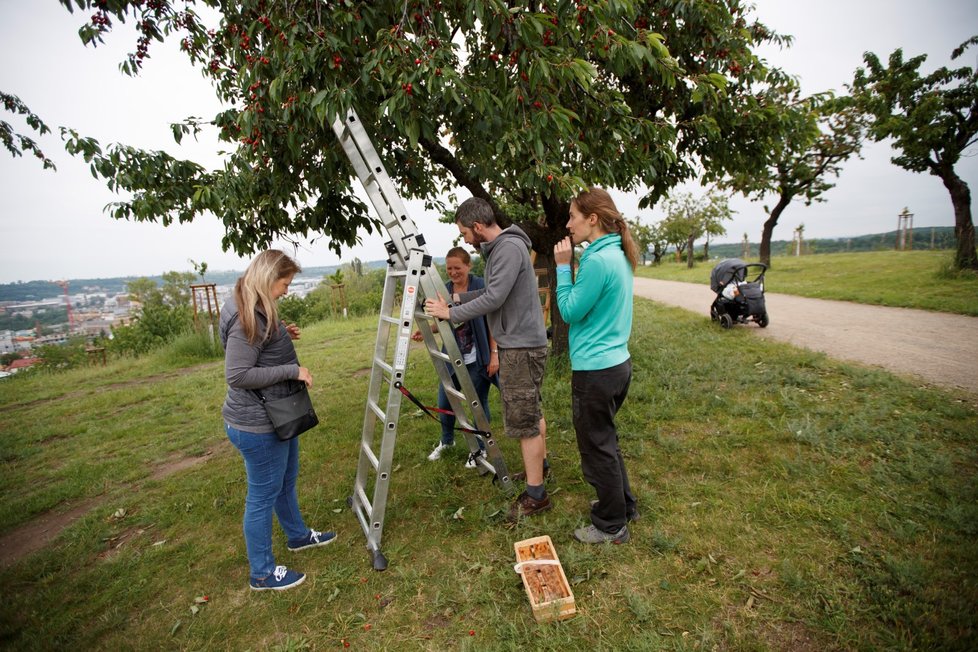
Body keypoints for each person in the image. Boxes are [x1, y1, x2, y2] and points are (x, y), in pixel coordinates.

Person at [426, 197, 551, 522]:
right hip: (521, 344)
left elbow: (494, 298)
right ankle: (540, 469)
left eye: (465, 232)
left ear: (479, 227)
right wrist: (454, 298)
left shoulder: (507, 249)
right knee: (531, 412)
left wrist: (450, 313)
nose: (465, 239)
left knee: (524, 421)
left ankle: (536, 496)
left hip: (520, 347)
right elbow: (490, 292)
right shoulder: (501, 250)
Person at [219, 250, 337, 591]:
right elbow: (238, 373)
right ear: (268, 279)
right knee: (262, 497)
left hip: (277, 415)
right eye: (284, 284)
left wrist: (279, 334)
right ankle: (262, 573)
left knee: (285, 480)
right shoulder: (247, 317)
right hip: (258, 424)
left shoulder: (248, 302)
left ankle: (297, 536)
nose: (286, 291)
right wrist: (292, 370)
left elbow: (253, 348)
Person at [553, 187, 638, 544]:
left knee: (595, 447)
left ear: (592, 219)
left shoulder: (596, 260)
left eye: (573, 216)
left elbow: (570, 311)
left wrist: (561, 270)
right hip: (617, 364)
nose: (568, 224)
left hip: (595, 371)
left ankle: (610, 525)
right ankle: (623, 505)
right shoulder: (616, 253)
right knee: (607, 440)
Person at [414, 247, 500, 466]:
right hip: (453, 357)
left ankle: (481, 449)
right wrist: (427, 332)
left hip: (478, 357)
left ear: (468, 265)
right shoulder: (444, 289)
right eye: (449, 268)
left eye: (457, 268)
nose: (453, 272)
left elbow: (493, 323)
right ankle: (447, 442)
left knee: (478, 404)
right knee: (445, 401)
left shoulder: (480, 286)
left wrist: (494, 355)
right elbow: (446, 321)